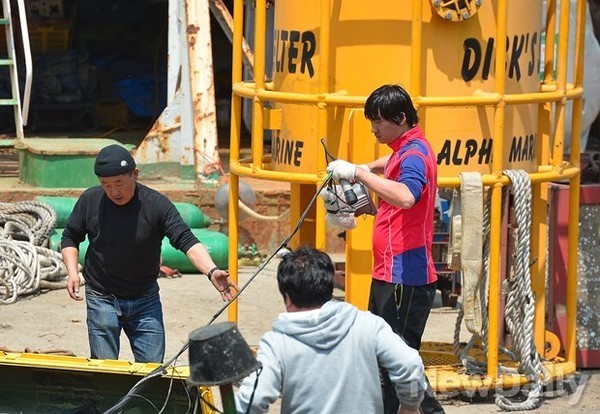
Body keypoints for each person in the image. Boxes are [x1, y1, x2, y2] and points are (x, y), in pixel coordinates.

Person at [61, 144, 238, 363]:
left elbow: (186, 240)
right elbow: (70, 236)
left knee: (151, 369)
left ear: (135, 175)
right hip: (101, 297)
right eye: (106, 185)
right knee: (104, 369)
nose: (113, 192)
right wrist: (72, 272)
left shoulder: (156, 204)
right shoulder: (90, 200)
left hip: (145, 299)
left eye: (119, 183)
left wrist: (212, 272)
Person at [327, 84, 445, 414]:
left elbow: (407, 196)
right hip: (389, 274)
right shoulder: (404, 149)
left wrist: (359, 174)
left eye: (378, 122)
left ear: (401, 118)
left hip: (404, 277)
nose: (374, 129)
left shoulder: (414, 155)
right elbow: (388, 164)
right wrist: (362, 176)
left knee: (398, 364)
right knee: (385, 360)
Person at [234, 246, 426, 414]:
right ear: (329, 287)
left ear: (287, 297)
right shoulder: (368, 325)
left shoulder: (277, 343)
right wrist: (409, 406)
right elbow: (409, 365)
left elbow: (254, 399)